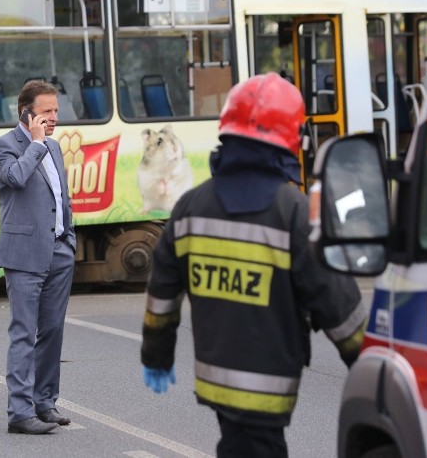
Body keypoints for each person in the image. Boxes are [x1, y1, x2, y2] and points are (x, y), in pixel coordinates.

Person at [140, 72, 367, 457]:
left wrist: (156, 355)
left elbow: (162, 296)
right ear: (291, 142)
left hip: (216, 378)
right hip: (269, 384)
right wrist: (369, 365)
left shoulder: (190, 207)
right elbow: (338, 306)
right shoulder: (294, 213)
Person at [0, 80, 77, 435]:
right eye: (46, 112)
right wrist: (37, 144)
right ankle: (20, 413)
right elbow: (16, 178)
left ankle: (45, 402)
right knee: (24, 333)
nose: (54, 118)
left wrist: (69, 240)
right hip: (24, 254)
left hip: (58, 251)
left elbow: (61, 197)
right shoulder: (4, 146)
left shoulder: (54, 148)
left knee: (52, 332)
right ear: (26, 113)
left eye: (56, 111)